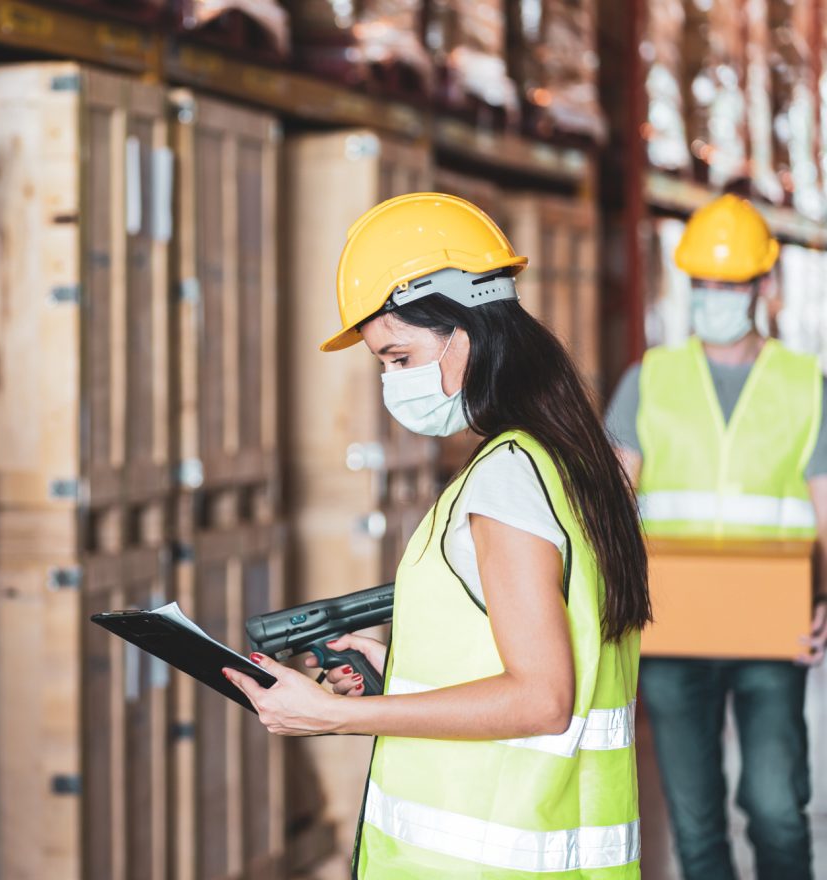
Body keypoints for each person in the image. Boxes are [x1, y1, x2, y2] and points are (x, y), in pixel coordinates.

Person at [226, 193, 652, 878]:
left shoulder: (508, 476)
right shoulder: (567, 461)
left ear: (466, 331)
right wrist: (399, 671)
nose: (393, 382)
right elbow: (530, 642)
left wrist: (333, 717)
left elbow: (541, 698)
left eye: (401, 357)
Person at [605, 193, 827, 880]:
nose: (715, 298)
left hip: (772, 631)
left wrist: (826, 600)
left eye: (730, 284)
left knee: (776, 809)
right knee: (697, 825)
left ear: (763, 284)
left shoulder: (805, 384)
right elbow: (613, 505)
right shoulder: (650, 380)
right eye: (703, 283)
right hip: (674, 628)